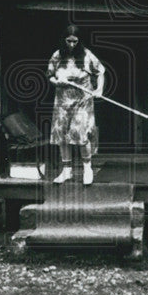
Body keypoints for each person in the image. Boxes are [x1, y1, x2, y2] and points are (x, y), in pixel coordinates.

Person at [47, 25, 105, 185]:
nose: (71, 44)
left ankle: (88, 169)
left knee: (80, 135)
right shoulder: (57, 55)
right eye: (68, 41)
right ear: (63, 40)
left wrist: (99, 89)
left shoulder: (87, 55)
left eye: (74, 41)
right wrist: (57, 81)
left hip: (82, 101)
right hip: (62, 101)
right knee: (62, 135)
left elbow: (101, 72)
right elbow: (50, 75)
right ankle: (67, 171)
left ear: (79, 41)